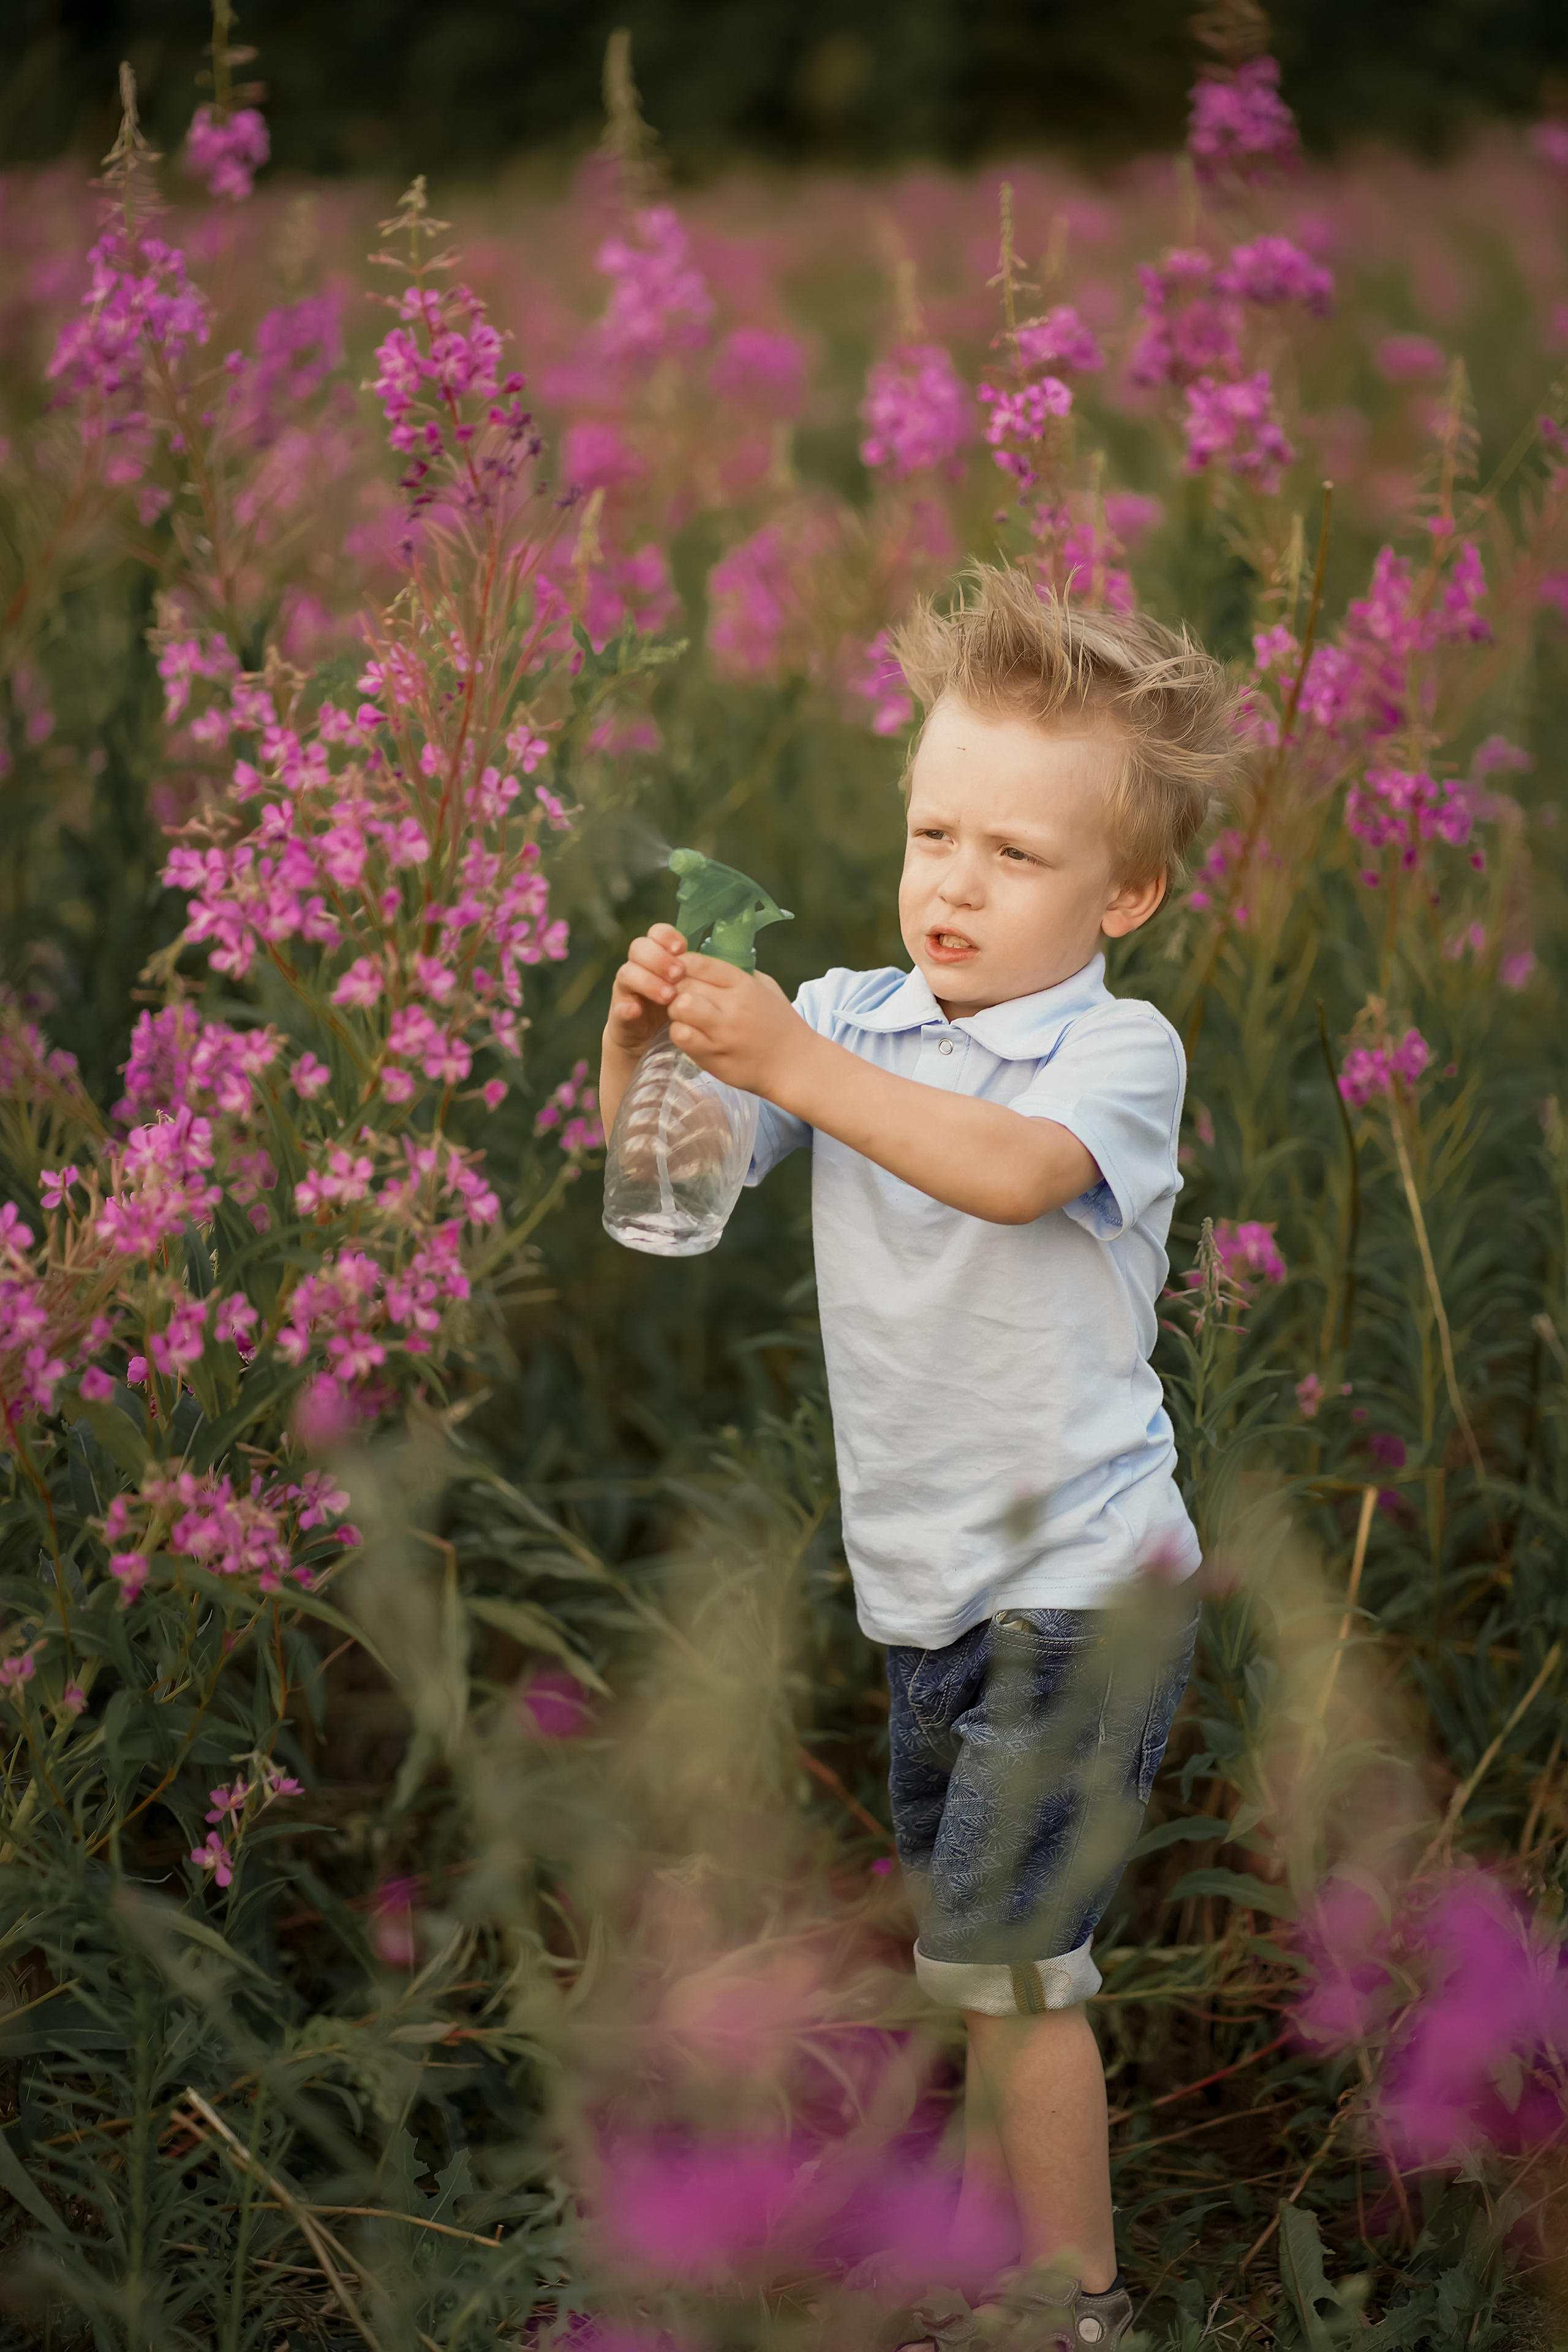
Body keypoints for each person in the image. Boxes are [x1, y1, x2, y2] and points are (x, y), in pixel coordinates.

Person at [598, 563, 1237, 2352]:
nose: (953, 879)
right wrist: (644, 1049)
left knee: (1015, 1968)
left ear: (1126, 890)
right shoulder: (856, 1019)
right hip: (932, 1595)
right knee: (984, 1953)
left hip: (1087, 1589)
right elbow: (666, 1203)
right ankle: (1022, 2242)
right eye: (933, 830)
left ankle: (1073, 2300)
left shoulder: (1114, 1053)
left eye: (1015, 855)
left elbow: (1007, 1173)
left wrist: (792, 1053)